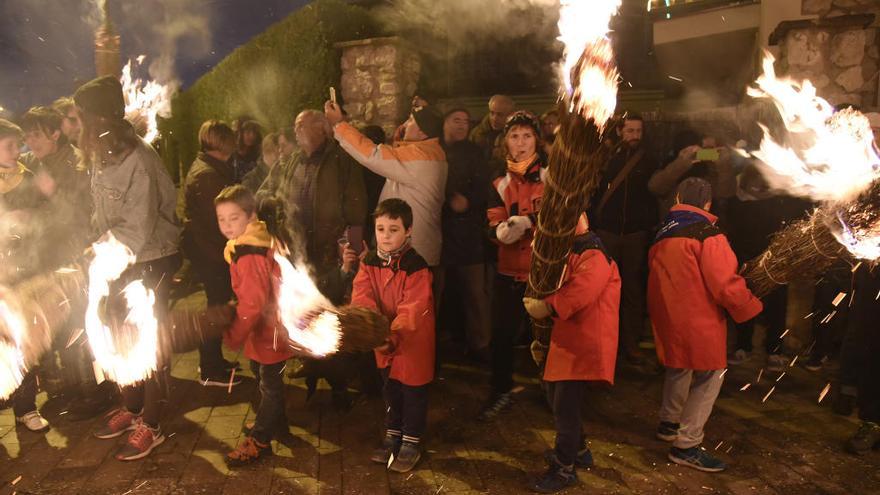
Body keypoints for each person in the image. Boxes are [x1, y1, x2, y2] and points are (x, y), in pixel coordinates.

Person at [75, 75, 181, 461]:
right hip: (118, 263)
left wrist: (94, 250)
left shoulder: (139, 159)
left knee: (147, 344)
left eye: (82, 116)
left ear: (100, 119)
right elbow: (100, 213)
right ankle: (132, 406)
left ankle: (151, 422)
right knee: (119, 336)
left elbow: (136, 228)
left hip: (150, 262)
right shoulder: (102, 156)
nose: (78, 124)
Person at [647, 178, 762, 473]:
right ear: (708, 204)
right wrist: (751, 307)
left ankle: (669, 423)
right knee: (710, 375)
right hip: (699, 318)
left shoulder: (662, 233)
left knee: (678, 366)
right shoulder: (708, 236)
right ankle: (686, 445)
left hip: (668, 316)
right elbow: (724, 284)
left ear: (677, 197)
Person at [259, 109, 368, 407]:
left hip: (329, 253)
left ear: (322, 128)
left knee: (331, 314)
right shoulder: (292, 160)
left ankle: (339, 383)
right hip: (299, 253)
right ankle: (311, 363)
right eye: (294, 125)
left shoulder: (341, 160)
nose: (296, 131)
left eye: (301, 125)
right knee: (304, 312)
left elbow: (356, 207)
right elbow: (268, 192)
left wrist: (352, 248)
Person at [522, 214, 620, 493]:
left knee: (565, 406)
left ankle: (564, 468)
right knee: (556, 396)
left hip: (585, 342)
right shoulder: (572, 249)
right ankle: (578, 451)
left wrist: (549, 306)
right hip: (569, 340)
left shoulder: (593, 254)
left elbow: (581, 291)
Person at [350, 198, 435, 473]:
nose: (385, 236)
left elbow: (413, 308)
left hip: (412, 343)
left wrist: (391, 336)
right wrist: (373, 328)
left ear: (408, 231)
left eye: (393, 229)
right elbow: (362, 296)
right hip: (383, 341)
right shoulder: (370, 263)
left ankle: (411, 440)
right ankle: (393, 433)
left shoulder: (416, 266)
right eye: (380, 229)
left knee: (413, 392)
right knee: (391, 389)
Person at [213, 185, 295, 466]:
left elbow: (253, 303)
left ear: (251, 216)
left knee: (269, 383)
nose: (226, 225)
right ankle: (275, 423)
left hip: (270, 329)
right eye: (221, 219)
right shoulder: (254, 239)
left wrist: (235, 333)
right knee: (265, 377)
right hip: (271, 326)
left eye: (233, 218)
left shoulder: (249, 253)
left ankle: (260, 439)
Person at [325, 101, 447, 270]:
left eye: (410, 121)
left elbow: (373, 155)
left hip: (411, 255)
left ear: (422, 131)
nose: (404, 125)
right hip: (411, 250)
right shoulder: (428, 153)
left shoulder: (421, 158)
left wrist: (339, 125)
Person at [481, 111, 546, 421]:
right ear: (504, 142)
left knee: (548, 338)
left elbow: (564, 219)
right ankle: (500, 391)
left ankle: (553, 392)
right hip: (508, 272)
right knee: (502, 336)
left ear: (537, 140)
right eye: (514, 136)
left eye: (527, 136)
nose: (520, 143)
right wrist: (499, 232)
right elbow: (493, 220)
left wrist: (530, 222)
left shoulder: (552, 176)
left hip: (544, 273)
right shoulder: (498, 180)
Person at [588, 113, 660, 367]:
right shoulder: (607, 158)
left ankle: (630, 344)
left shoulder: (650, 158)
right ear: (620, 131)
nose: (634, 136)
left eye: (638, 131)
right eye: (629, 130)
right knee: (602, 289)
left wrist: (706, 153)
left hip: (634, 234)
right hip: (607, 231)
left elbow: (666, 178)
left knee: (631, 291)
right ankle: (603, 343)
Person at [182, 120, 242, 387]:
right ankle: (210, 368)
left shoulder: (209, 168)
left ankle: (214, 362)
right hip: (213, 254)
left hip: (210, 251)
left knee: (216, 305)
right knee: (216, 308)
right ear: (222, 143)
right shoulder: (208, 175)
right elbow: (217, 219)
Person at [0, 118, 50, 433]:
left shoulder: (29, 178)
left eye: (17, 145)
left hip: (25, 270)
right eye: (9, 146)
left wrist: (29, 218)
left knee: (25, 335)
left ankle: (26, 406)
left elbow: (49, 218)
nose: (17, 151)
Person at [439, 107, 492, 361]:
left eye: (465, 121)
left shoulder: (474, 153)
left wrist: (467, 201)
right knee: (438, 292)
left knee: (474, 292)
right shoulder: (433, 151)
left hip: (468, 234)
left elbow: (484, 188)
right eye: (456, 120)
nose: (462, 125)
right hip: (438, 233)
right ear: (445, 122)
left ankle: (480, 344)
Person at [470, 95, 515, 159]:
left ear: (510, 115)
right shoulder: (477, 133)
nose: (494, 118)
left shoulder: (518, 135)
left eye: (500, 115)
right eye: (492, 113)